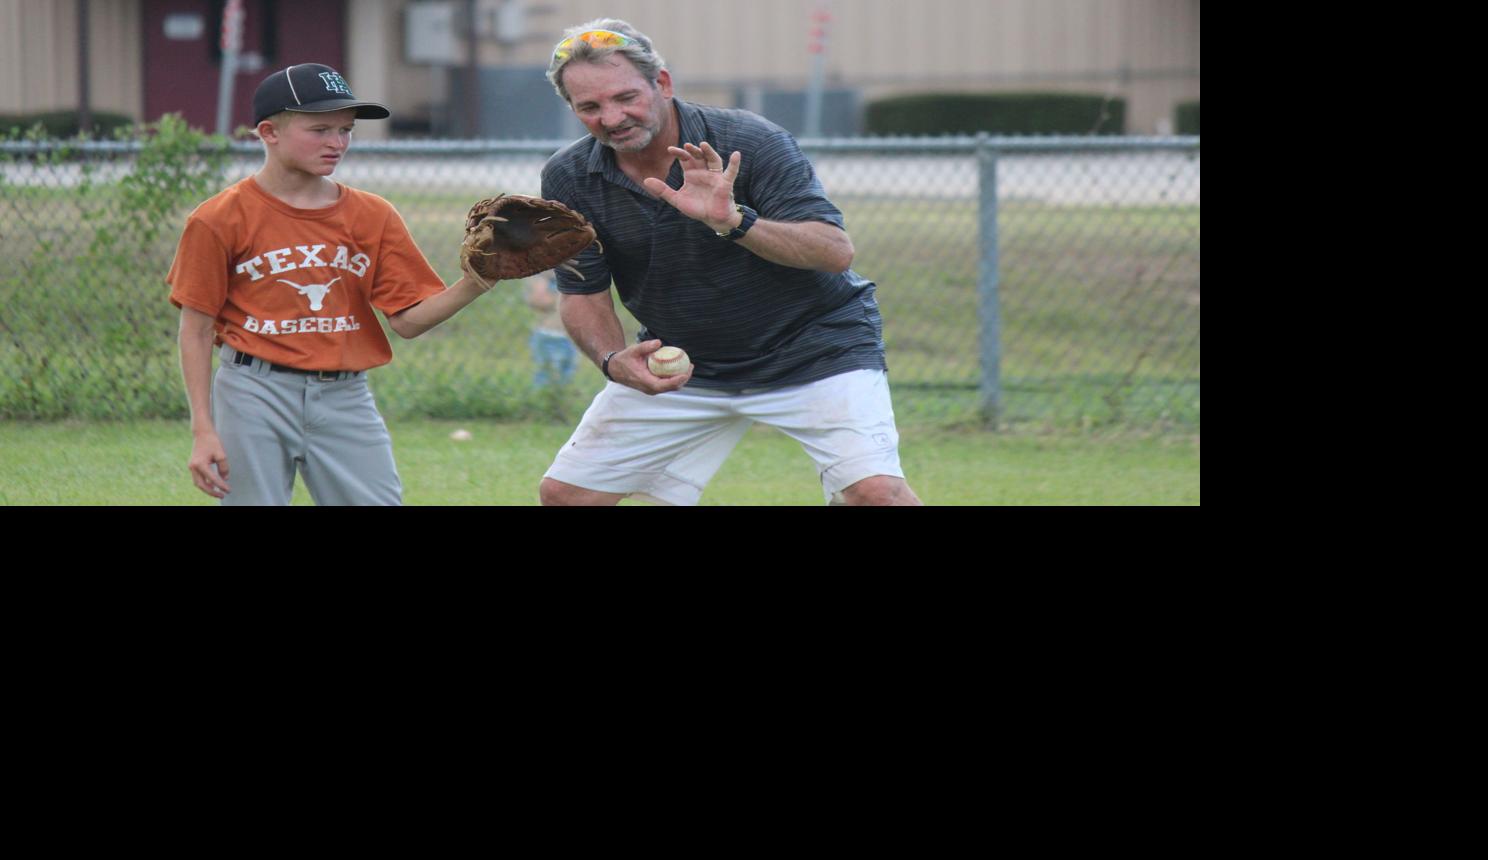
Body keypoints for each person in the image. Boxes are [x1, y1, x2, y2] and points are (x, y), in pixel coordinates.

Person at [535, 19, 922, 506]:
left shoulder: (748, 139)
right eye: (589, 107)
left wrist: (735, 222)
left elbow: (833, 251)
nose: (611, 118)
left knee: (877, 494)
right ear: (572, 109)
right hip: (686, 364)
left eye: (625, 97)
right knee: (567, 496)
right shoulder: (569, 177)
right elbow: (582, 293)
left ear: (663, 83)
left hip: (814, 348)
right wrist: (614, 362)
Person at [167, 63, 495, 505]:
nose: (336, 143)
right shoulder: (218, 219)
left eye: (345, 130)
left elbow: (408, 320)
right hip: (252, 392)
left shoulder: (372, 215)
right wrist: (203, 429)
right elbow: (197, 328)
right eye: (319, 129)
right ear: (269, 132)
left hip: (344, 395)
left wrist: (477, 281)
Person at [525, 274, 579, 386]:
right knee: (545, 377)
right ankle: (541, 400)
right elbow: (538, 299)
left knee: (566, 379)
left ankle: (560, 400)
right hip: (549, 336)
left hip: (570, 337)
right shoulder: (543, 276)